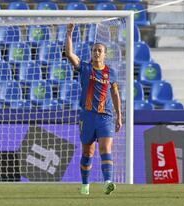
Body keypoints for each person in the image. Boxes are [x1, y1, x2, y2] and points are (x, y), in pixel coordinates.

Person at [65, 23, 122, 195]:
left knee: (105, 148)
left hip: (105, 116)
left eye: (99, 50)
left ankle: (108, 182)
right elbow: (69, 54)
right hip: (87, 116)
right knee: (88, 152)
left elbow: (115, 94)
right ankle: (85, 185)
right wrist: (69, 33)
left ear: (104, 54)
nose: (96, 52)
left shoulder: (111, 73)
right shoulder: (85, 68)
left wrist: (119, 116)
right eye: (94, 50)